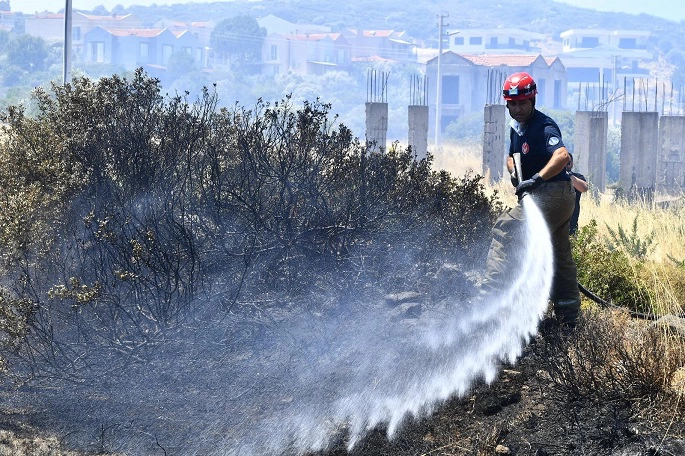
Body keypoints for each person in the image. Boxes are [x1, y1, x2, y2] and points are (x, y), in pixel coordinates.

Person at [482, 71, 582, 326]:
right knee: (558, 254)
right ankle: (569, 318)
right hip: (552, 197)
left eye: (522, 103)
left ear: (532, 101)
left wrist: (536, 179)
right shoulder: (518, 129)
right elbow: (511, 156)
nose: (517, 109)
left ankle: (489, 298)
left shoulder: (544, 126)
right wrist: (515, 172)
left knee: (505, 228)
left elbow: (562, 156)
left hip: (551, 194)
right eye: (512, 104)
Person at [566, 154, 588, 235]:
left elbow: (584, 188)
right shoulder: (552, 177)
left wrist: (568, 175)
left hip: (571, 223)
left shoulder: (577, 177)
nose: (565, 165)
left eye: (568, 162)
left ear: (572, 163)